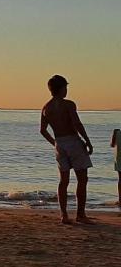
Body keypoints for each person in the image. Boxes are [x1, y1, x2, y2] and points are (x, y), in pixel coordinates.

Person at [39, 75, 93, 224]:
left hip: (60, 143)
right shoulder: (68, 104)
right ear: (62, 88)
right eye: (65, 88)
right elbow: (77, 123)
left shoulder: (46, 107)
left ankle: (64, 214)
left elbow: (42, 130)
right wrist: (87, 141)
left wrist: (55, 143)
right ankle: (80, 214)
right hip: (72, 141)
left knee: (64, 181)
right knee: (82, 179)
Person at [111, 129, 121, 208]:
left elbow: (112, 144)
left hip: (119, 160)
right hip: (119, 160)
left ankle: (120, 199)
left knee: (120, 180)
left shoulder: (116, 132)